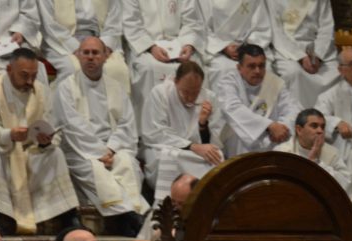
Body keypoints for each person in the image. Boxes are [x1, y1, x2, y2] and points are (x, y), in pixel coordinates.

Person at [53, 37, 150, 238]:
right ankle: (132, 217)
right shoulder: (66, 87)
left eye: (96, 53)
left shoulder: (116, 88)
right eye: (86, 52)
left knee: (128, 164)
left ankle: (126, 218)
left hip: (113, 149)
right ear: (77, 56)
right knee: (95, 170)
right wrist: (99, 152)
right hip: (80, 151)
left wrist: (112, 149)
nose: (90, 58)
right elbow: (72, 126)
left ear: (106, 56)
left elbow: (126, 123)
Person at [0, 48, 80, 236]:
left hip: (32, 152)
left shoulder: (41, 91)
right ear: (9, 70)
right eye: (24, 76)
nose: (30, 82)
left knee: (55, 153)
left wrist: (45, 141)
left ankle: (67, 216)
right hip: (4, 153)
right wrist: (9, 134)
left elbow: (52, 126)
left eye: (33, 76)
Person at [139, 59, 226, 198]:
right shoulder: (160, 93)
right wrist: (191, 146)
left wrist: (203, 125)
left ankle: (206, 203)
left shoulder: (209, 97)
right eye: (186, 91)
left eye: (196, 92)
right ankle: (169, 206)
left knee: (217, 157)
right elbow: (154, 133)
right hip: (163, 147)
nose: (191, 98)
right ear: (175, 81)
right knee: (163, 159)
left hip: (195, 152)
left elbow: (214, 140)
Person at [119, 0, 204, 123]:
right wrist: (151, 47)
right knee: (147, 67)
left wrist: (188, 44)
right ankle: (150, 128)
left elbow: (192, 21)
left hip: (179, 42)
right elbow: (131, 22)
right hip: (147, 45)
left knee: (194, 66)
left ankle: (193, 128)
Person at [215, 43, 302, 156]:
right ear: (239, 68)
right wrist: (269, 126)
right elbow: (233, 108)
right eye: (252, 66)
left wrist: (281, 128)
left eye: (261, 66)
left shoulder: (275, 82)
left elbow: (293, 109)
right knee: (240, 134)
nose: (257, 71)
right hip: (238, 140)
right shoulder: (228, 82)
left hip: (274, 140)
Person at [272, 108, 352, 201]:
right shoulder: (282, 152)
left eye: (322, 127)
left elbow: (346, 184)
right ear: (299, 130)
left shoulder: (332, 153)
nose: (320, 131)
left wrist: (316, 162)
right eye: (314, 126)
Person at [266, 0, 339, 107]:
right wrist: (300, 56)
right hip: (287, 50)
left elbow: (326, 27)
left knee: (336, 72)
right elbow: (277, 32)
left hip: (318, 48)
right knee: (293, 72)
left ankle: (329, 118)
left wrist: (318, 55)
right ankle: (299, 118)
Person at [198, 0, 272, 83]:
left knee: (266, 68)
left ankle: (263, 97)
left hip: (248, 45)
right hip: (218, 49)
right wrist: (224, 47)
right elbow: (202, 27)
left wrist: (247, 49)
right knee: (222, 69)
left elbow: (261, 26)